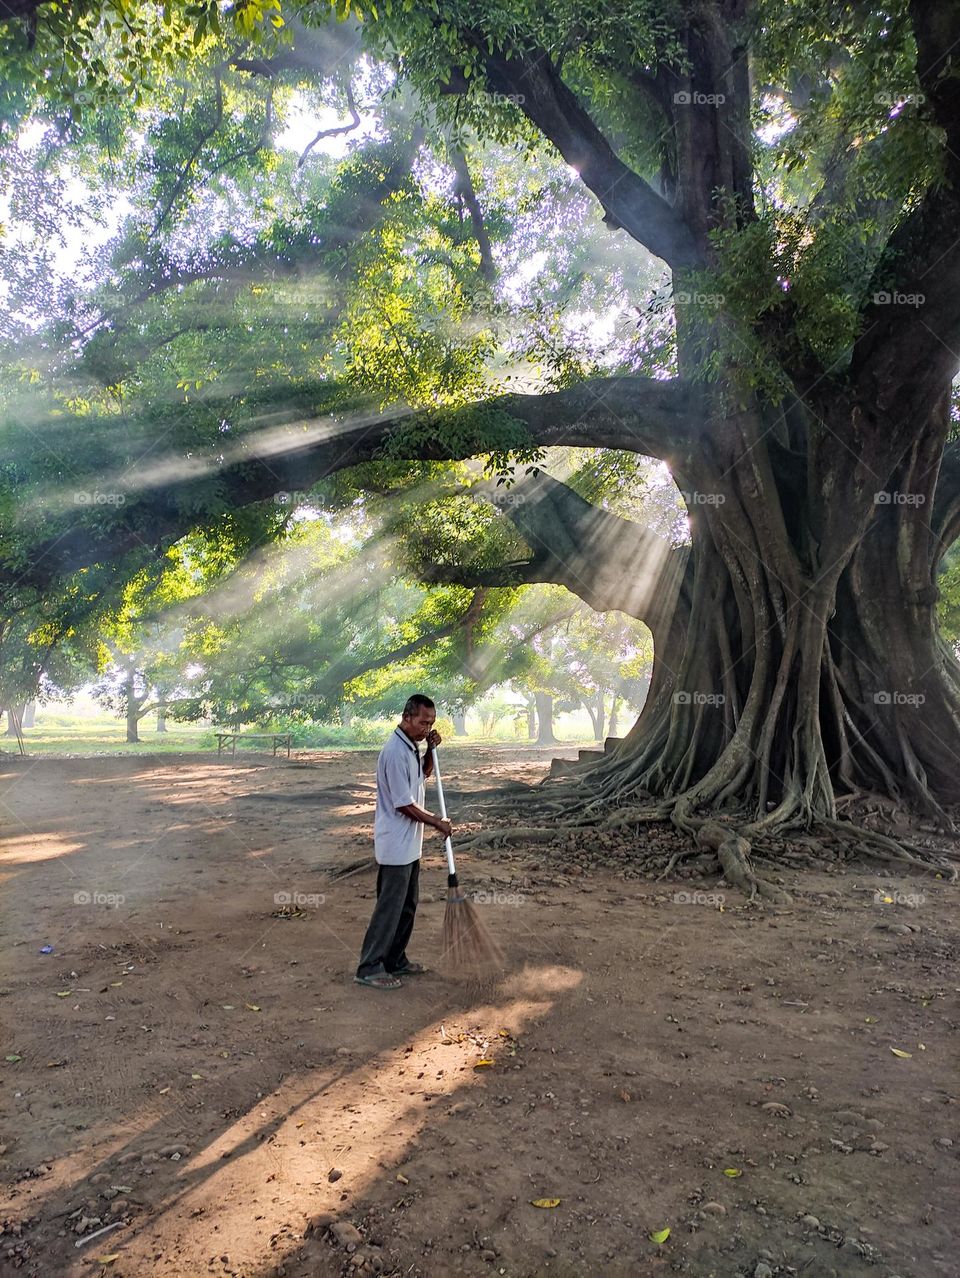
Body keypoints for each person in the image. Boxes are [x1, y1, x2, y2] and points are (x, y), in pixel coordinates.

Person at [355, 694, 453, 990]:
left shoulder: (411, 746)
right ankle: (369, 967)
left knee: (407, 906)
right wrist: (437, 822)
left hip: (410, 844)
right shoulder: (395, 752)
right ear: (406, 717)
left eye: (431, 723)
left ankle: (395, 959)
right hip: (395, 844)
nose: (427, 728)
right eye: (423, 722)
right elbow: (403, 804)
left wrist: (430, 751)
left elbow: (421, 776)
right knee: (389, 908)